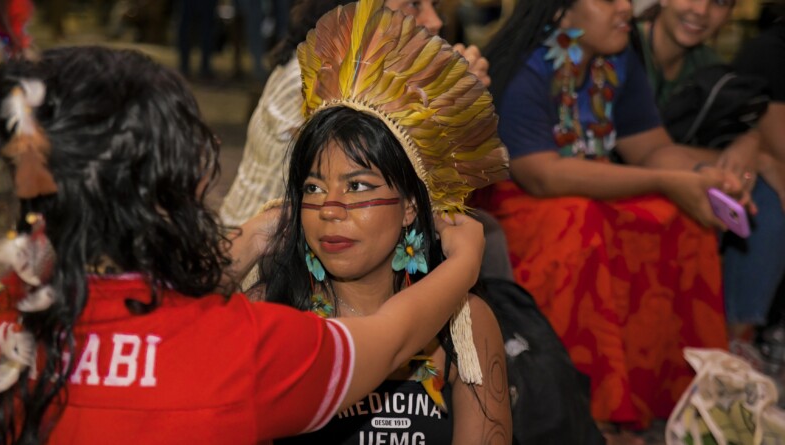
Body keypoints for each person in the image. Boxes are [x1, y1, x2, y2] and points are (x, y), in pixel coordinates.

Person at [0, 45, 486, 444]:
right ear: (162, 195)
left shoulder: (3, 322)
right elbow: (390, 342)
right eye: (195, 163)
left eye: (358, 185)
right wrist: (463, 263)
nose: (329, 206)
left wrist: (255, 234)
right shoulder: (234, 348)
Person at [472, 0, 751, 440]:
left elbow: (651, 147)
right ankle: (591, 409)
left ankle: (675, 393)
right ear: (561, 12)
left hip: (587, 190)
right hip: (520, 202)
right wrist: (665, 179)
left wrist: (699, 178)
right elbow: (542, 175)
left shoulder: (617, 58)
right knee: (578, 220)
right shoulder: (529, 65)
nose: (626, 7)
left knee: (680, 216)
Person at [255, 1, 512, 443]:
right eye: (314, 188)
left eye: (357, 186)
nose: (331, 209)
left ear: (412, 205)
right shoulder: (273, 308)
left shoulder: (464, 322)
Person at [217, 0, 490, 228]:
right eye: (414, 5)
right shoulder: (322, 76)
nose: (435, 21)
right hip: (264, 258)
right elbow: (391, 184)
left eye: (435, 5)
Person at [634, 0, 785, 362]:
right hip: (620, 172)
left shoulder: (708, 67)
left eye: (719, 2)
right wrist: (752, 152)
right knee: (739, 181)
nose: (701, 11)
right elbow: (648, 154)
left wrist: (749, 143)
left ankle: (737, 339)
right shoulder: (623, 48)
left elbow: (741, 134)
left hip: (675, 169)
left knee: (758, 191)